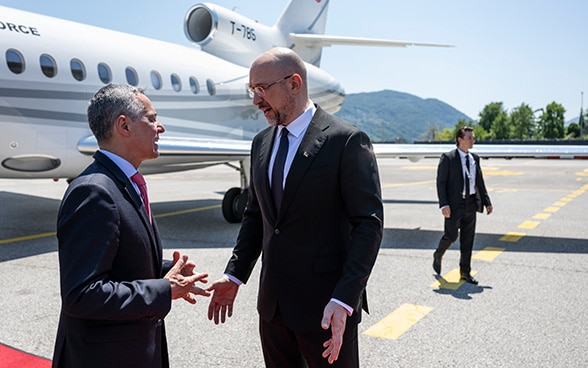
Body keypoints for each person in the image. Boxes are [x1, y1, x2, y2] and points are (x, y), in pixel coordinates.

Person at [206, 47, 383, 367]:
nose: (255, 99)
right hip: (273, 311)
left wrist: (345, 298)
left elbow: (368, 224)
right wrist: (234, 276)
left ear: (294, 83)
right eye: (252, 90)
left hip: (327, 309)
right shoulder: (260, 142)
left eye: (262, 89)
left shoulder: (345, 140)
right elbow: (256, 216)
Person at [52, 84, 210, 368]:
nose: (159, 127)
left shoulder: (123, 182)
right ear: (123, 126)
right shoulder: (94, 191)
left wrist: (164, 271)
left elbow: (114, 261)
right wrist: (163, 289)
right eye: (151, 118)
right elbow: (82, 295)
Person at [433, 126, 493, 285]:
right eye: (470, 138)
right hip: (454, 204)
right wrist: (444, 204)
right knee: (451, 236)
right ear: (460, 140)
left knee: (468, 239)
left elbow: (479, 182)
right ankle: (438, 254)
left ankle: (465, 272)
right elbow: (441, 183)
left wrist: (487, 201)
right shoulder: (448, 158)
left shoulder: (475, 158)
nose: (473, 140)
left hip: (471, 203)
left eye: (473, 138)